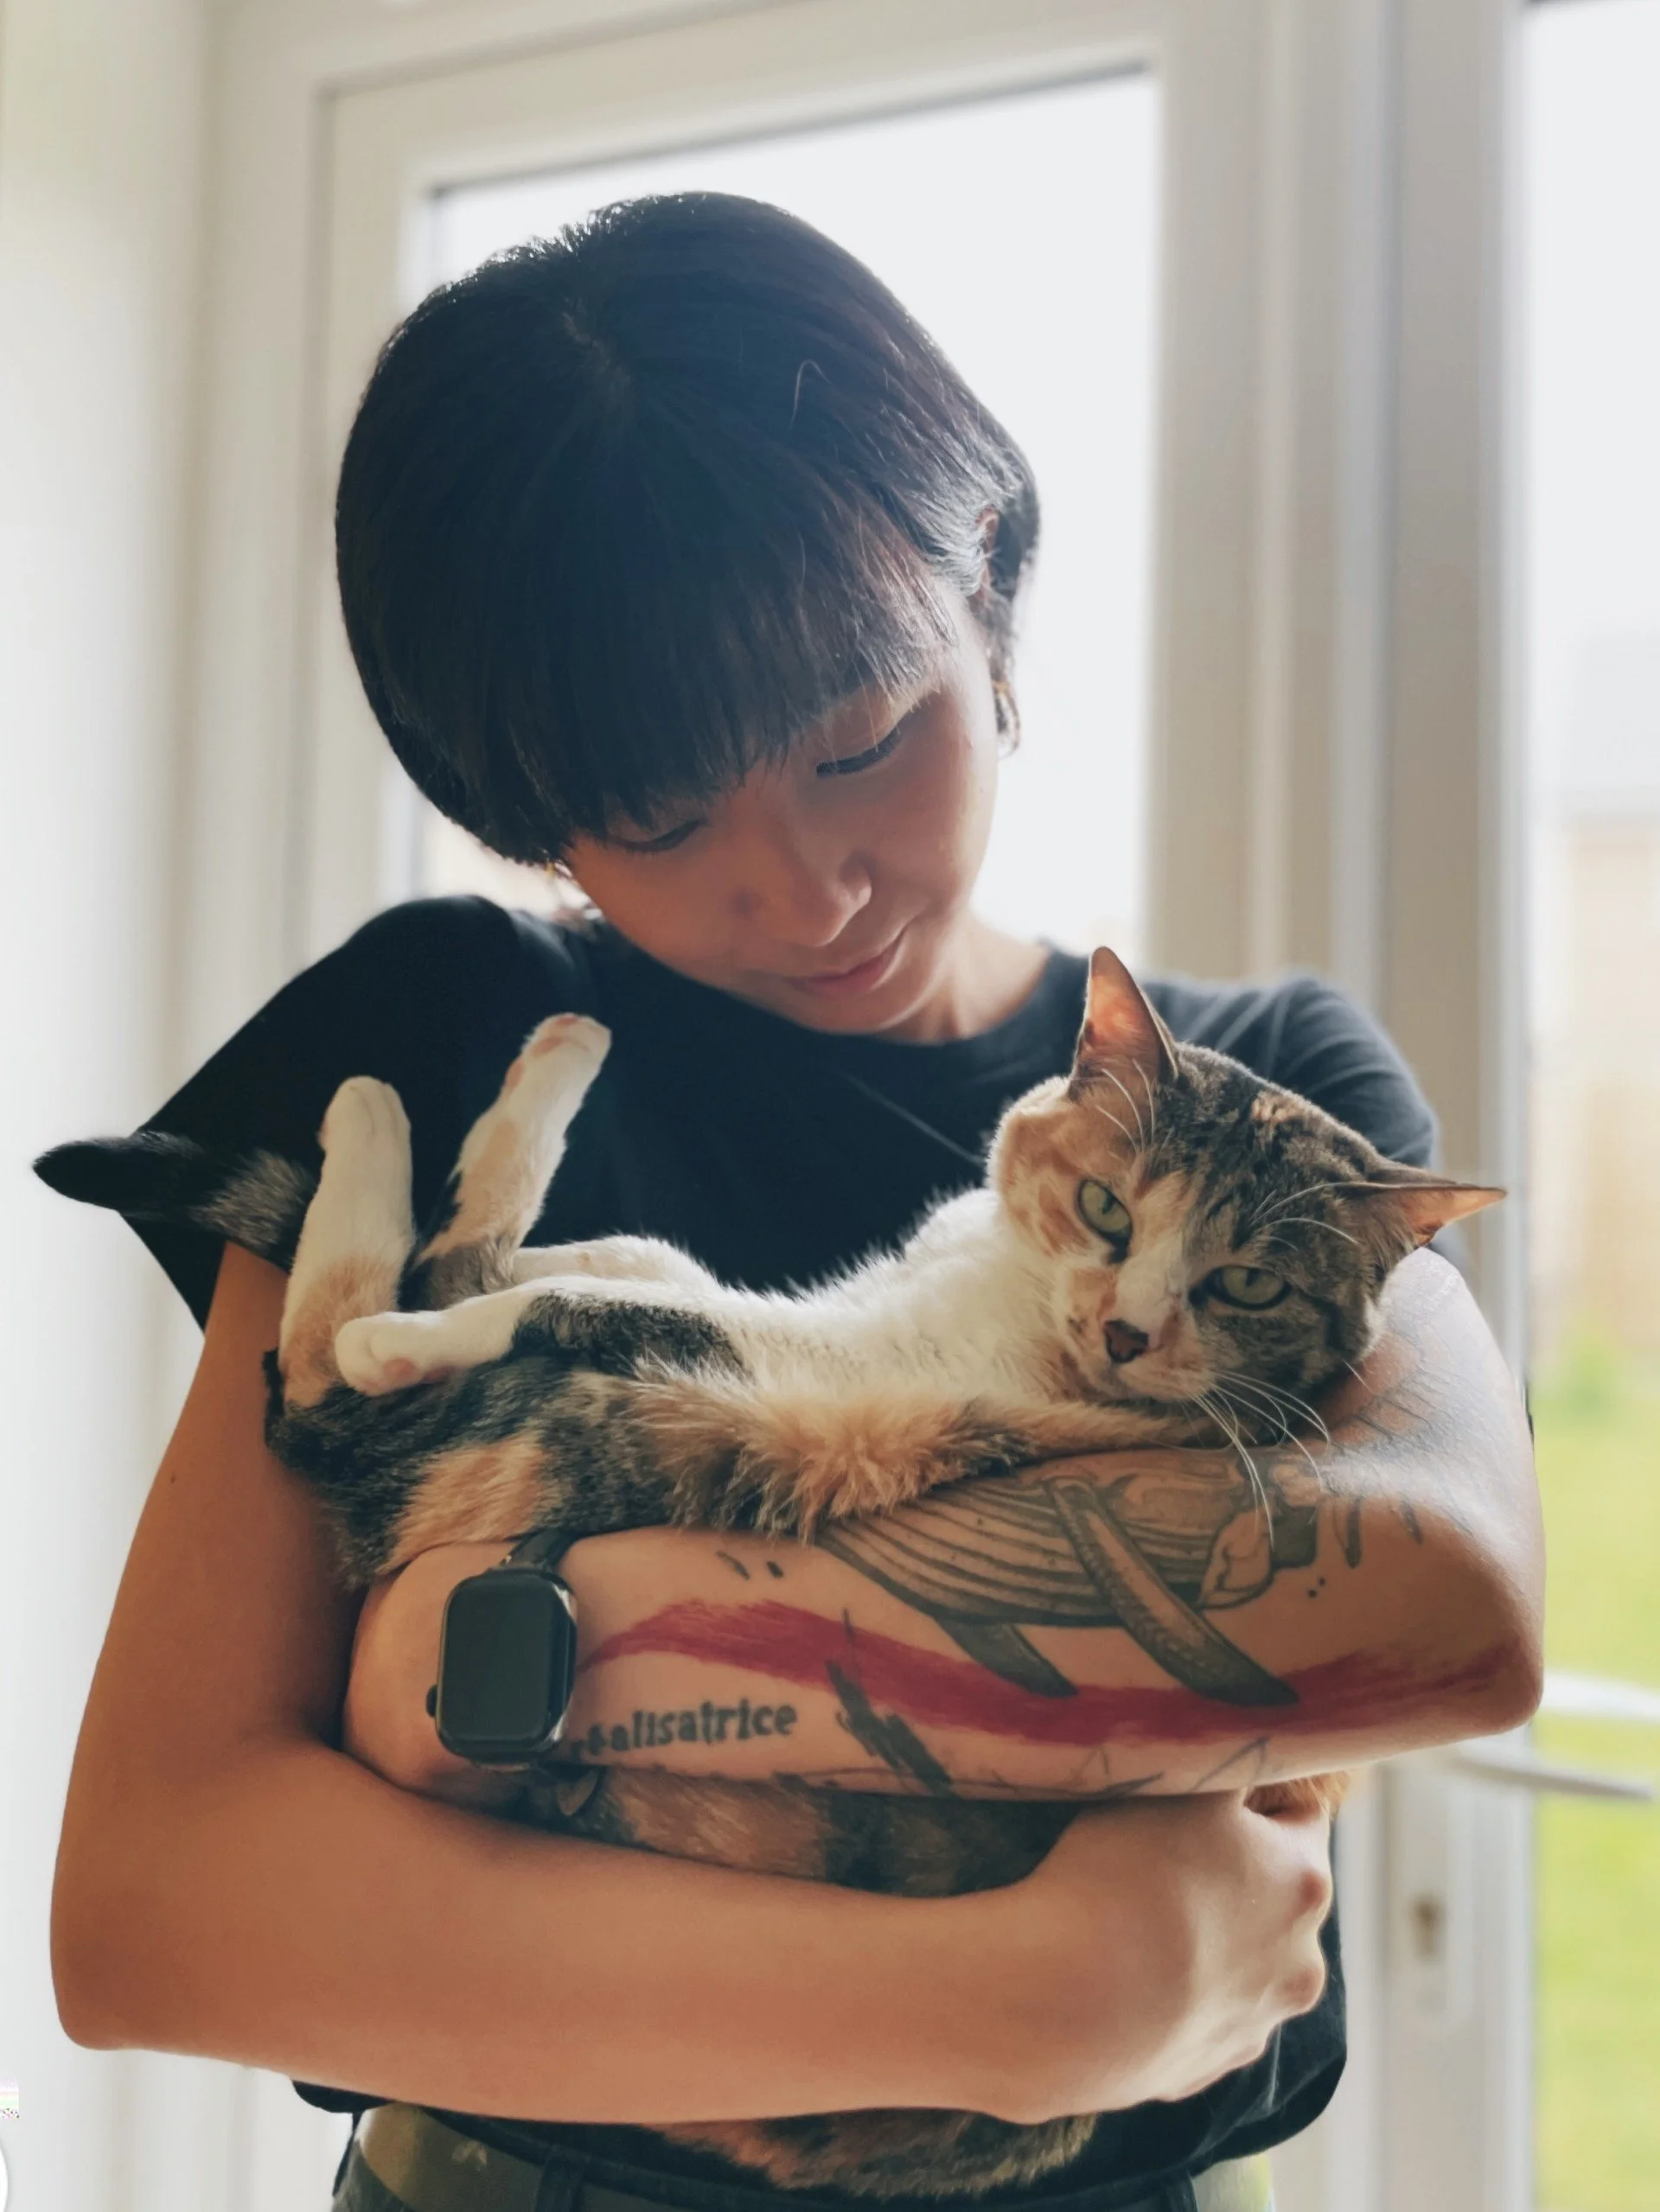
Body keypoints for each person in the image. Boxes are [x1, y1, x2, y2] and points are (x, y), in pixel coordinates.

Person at [48, 195, 1542, 2212]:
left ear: (989, 602)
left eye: (865, 740)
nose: (806, 883)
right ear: (522, 806)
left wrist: (513, 1641)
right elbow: (160, 1902)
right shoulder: (446, 1034)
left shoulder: (1273, 1095)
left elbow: (1450, 1605)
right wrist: (1008, 1995)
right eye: (659, 817)